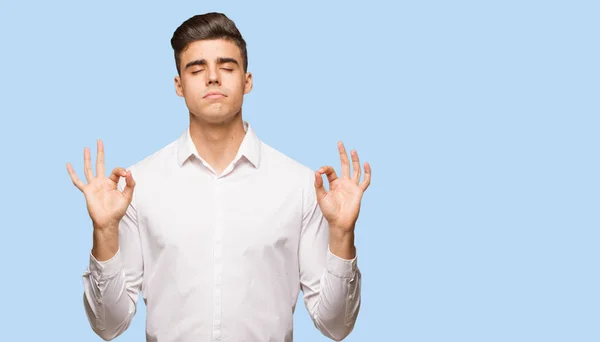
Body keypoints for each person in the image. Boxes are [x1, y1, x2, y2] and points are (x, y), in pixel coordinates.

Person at [66, 12, 371, 342]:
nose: (213, 77)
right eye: (197, 69)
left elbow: (336, 326)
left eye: (227, 67)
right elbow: (108, 326)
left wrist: (342, 233)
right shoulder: (138, 187)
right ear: (179, 85)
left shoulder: (298, 186)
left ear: (247, 81)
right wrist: (104, 231)